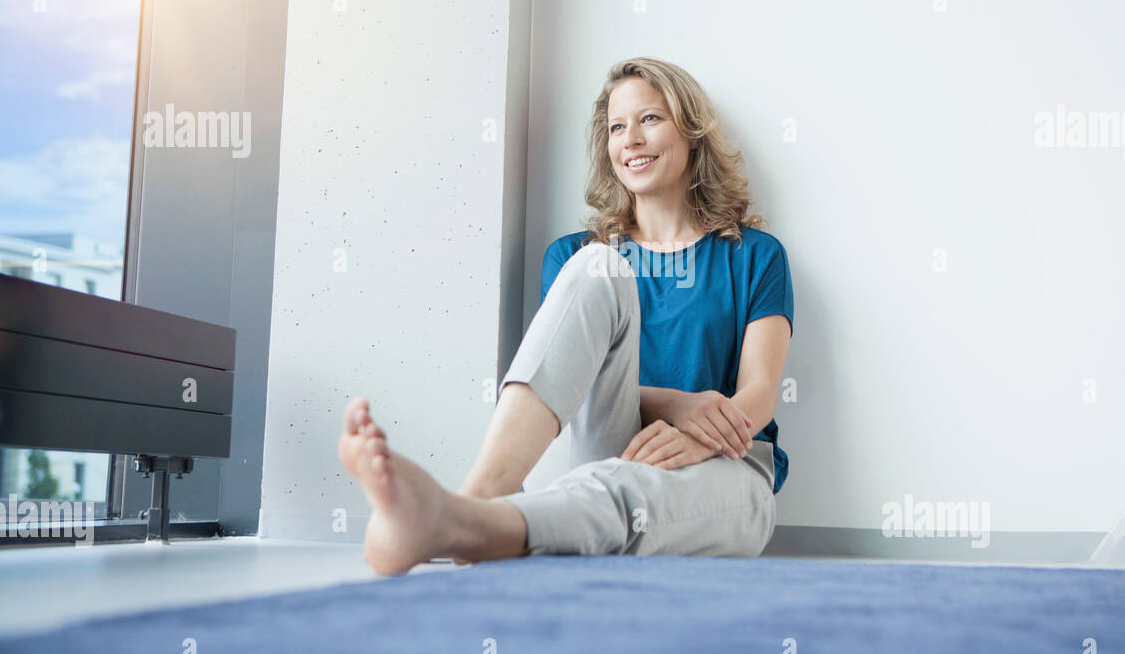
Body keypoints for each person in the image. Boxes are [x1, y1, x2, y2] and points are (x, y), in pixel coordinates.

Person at [336, 57, 794, 573]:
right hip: (593, 442)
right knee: (600, 263)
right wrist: (675, 404)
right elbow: (570, 380)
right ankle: (480, 497)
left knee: (623, 494)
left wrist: (692, 435)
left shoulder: (755, 255)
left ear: (691, 132)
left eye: (650, 119)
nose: (631, 140)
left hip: (722, 461)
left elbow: (759, 394)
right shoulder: (575, 257)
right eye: (617, 128)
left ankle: (450, 524)